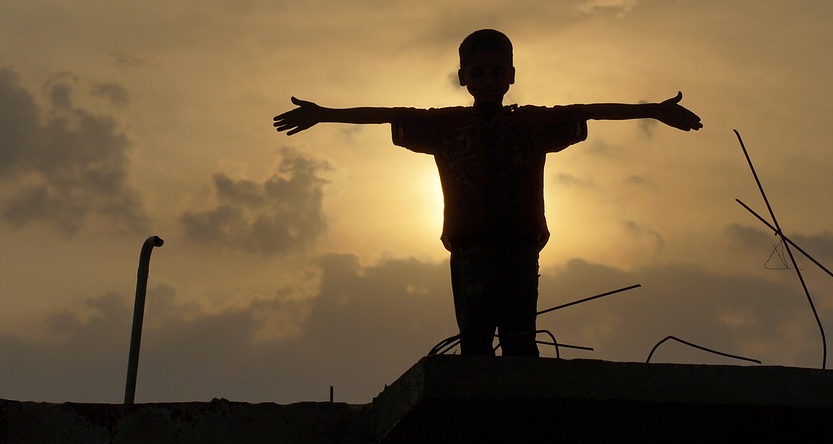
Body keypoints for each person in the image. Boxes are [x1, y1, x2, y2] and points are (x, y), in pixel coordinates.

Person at [273, 29, 702, 356]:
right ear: (463, 77)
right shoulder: (447, 126)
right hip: (470, 244)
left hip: (520, 241)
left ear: (511, 76)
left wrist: (653, 111)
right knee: (475, 339)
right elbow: (387, 113)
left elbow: (590, 110)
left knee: (519, 339)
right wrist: (324, 114)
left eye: (497, 71)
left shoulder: (531, 124)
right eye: (479, 72)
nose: (489, 79)